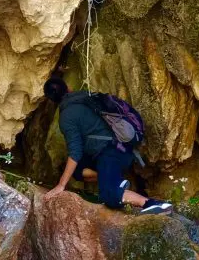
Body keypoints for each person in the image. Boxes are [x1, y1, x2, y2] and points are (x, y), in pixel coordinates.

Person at [42, 77, 172, 215]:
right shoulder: (85, 97)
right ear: (68, 88)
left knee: (109, 195)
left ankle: (151, 204)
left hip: (111, 152)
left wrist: (61, 185)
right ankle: (112, 178)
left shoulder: (67, 116)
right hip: (122, 148)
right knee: (77, 169)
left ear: (52, 100)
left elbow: (75, 152)